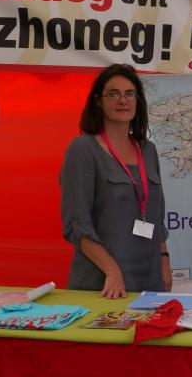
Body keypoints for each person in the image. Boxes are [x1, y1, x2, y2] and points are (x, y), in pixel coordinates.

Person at [60, 64, 171, 298]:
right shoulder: (83, 149)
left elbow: (157, 216)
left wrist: (164, 262)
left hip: (149, 281)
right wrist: (112, 271)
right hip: (103, 284)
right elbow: (78, 226)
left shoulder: (148, 150)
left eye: (130, 93)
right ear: (98, 101)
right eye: (114, 93)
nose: (123, 100)